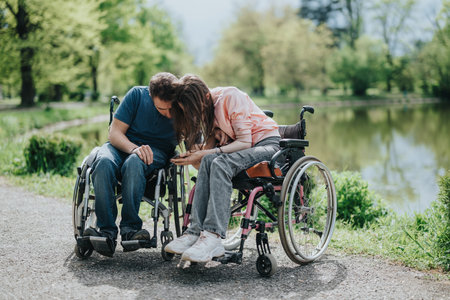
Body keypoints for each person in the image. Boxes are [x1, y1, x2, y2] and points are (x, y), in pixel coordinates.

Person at [165, 74, 281, 263]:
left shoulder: (230, 97)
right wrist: (196, 155)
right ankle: (194, 232)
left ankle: (213, 236)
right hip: (244, 149)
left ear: (205, 98)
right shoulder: (207, 109)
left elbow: (245, 142)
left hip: (266, 144)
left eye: (195, 111)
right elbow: (209, 153)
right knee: (211, 160)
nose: (194, 116)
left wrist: (206, 154)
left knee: (218, 161)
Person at [83, 72, 178, 257]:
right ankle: (106, 232)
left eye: (171, 109)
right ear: (150, 96)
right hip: (122, 145)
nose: (168, 114)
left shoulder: (182, 106)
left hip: (156, 152)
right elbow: (115, 133)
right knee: (102, 162)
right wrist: (134, 148)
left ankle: (130, 229)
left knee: (135, 162)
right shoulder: (137, 95)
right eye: (161, 109)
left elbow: (193, 141)